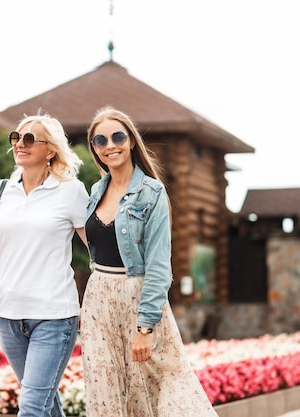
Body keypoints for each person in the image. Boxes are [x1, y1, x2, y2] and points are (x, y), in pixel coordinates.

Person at [80, 106, 218, 417]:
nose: (110, 145)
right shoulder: (95, 192)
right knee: (105, 394)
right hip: (98, 302)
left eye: (117, 136)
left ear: (130, 141)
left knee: (156, 396)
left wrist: (145, 327)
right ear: (95, 149)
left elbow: (158, 266)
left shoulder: (151, 193)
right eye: (100, 141)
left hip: (138, 301)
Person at [0, 112, 89, 417]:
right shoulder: (2, 189)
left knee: (31, 406)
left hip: (53, 316)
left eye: (28, 139)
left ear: (51, 150)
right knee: (45, 403)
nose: (19, 144)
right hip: (6, 312)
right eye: (16, 137)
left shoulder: (71, 191)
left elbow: (96, 248)